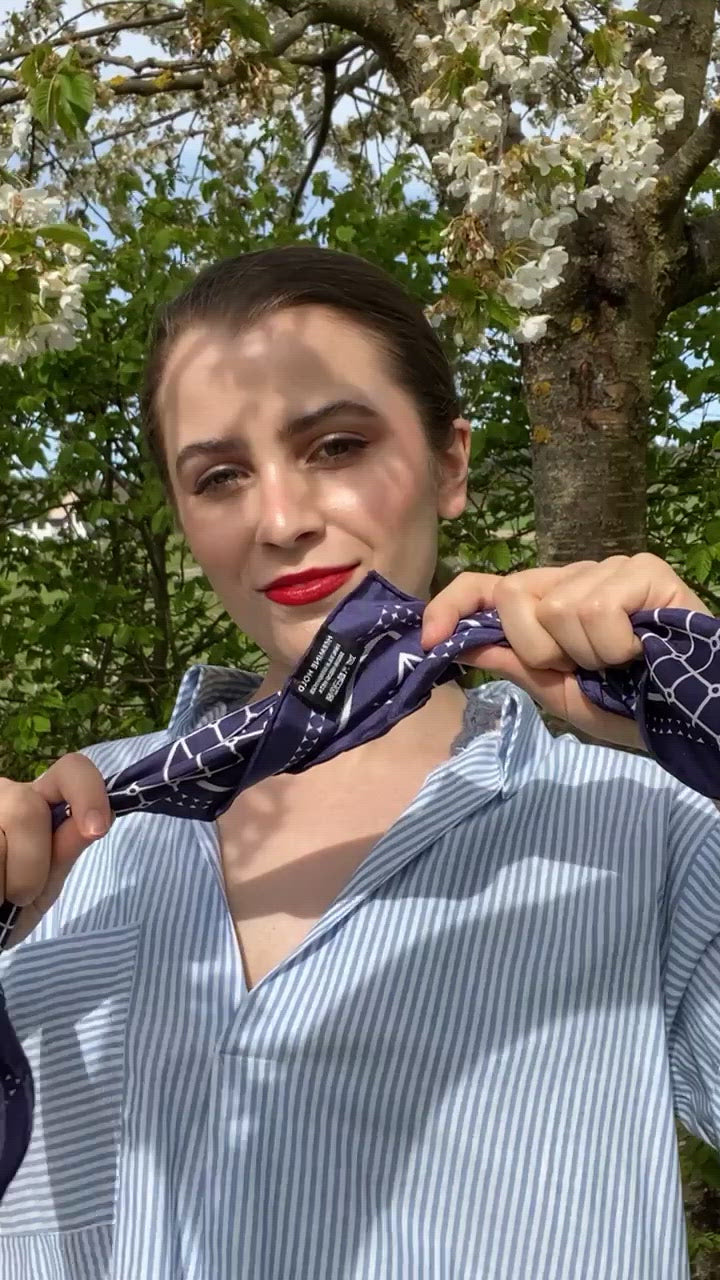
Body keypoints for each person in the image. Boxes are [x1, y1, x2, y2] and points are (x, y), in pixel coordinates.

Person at [0, 244, 716, 1280]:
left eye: (336, 445)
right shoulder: (63, 840)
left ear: (451, 464)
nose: (281, 519)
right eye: (220, 476)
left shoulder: (656, 829)